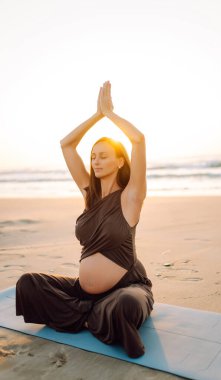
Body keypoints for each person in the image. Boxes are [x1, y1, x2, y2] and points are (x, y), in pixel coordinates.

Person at [16, 81, 154, 358]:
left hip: (127, 287)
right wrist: (96, 116)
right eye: (93, 156)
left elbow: (138, 140)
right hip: (83, 292)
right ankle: (93, 316)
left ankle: (88, 315)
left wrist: (110, 114)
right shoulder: (89, 195)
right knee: (27, 283)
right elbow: (66, 145)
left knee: (126, 304)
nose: (96, 161)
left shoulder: (131, 197)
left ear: (120, 161)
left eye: (104, 156)